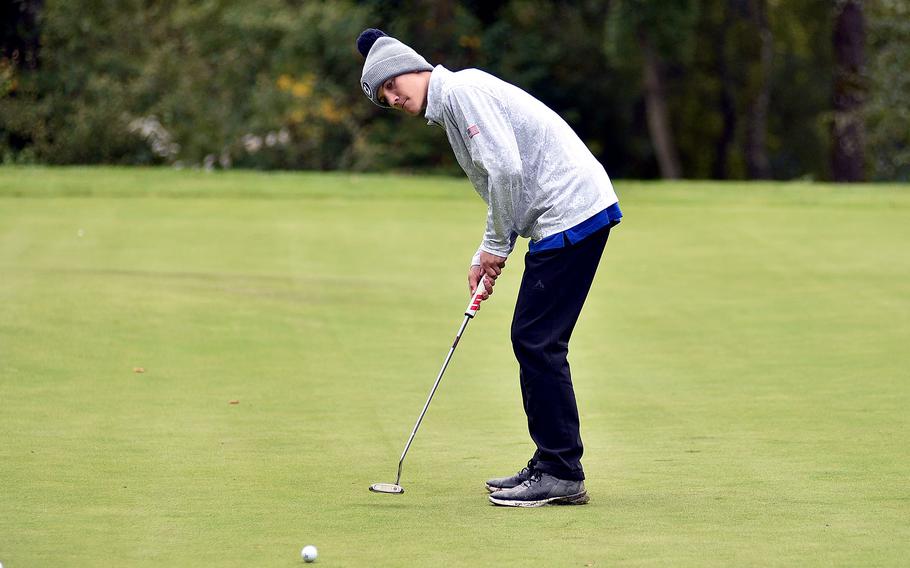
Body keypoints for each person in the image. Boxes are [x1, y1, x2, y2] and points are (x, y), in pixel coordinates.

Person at [357, 28, 622, 507]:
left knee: (536, 340)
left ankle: (562, 472)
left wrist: (499, 247)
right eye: (384, 96)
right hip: (562, 215)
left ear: (412, 66)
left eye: (393, 84)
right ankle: (551, 462)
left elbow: (506, 171)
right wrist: (488, 250)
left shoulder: (460, 93)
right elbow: (498, 180)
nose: (393, 97)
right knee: (536, 339)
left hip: (572, 212)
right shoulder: (453, 101)